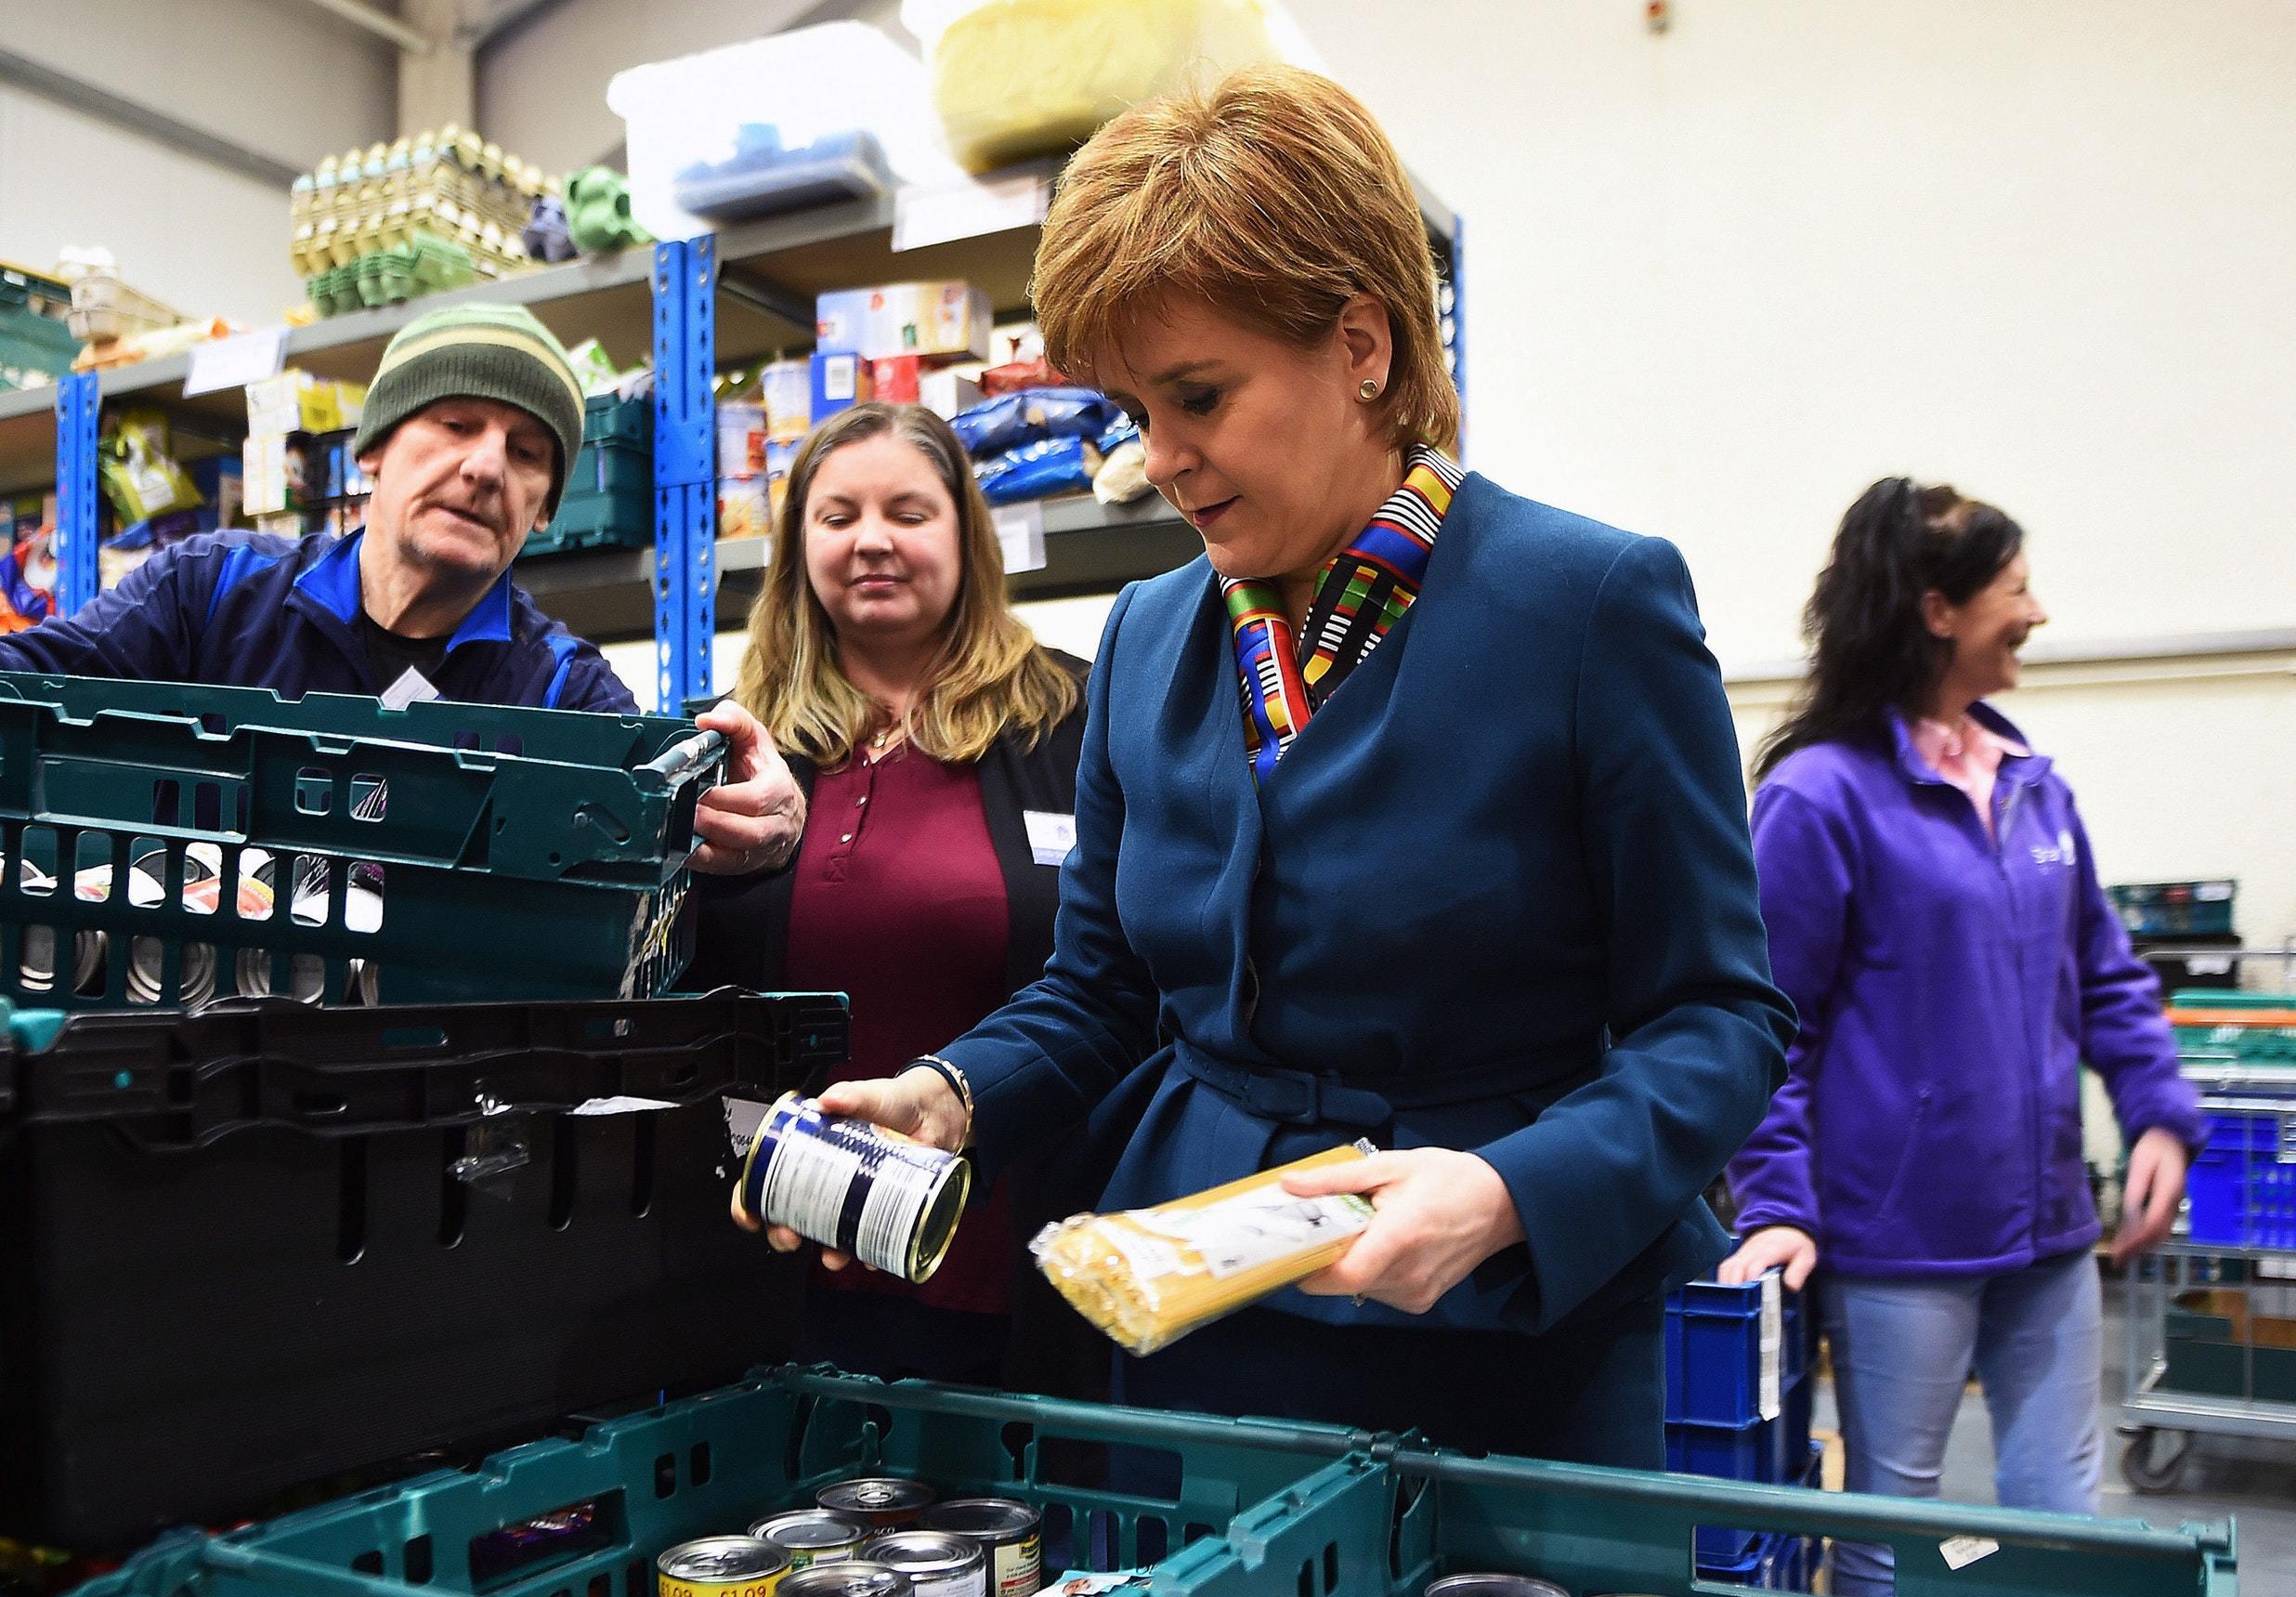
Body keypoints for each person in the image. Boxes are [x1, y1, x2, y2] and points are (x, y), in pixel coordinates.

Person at [745, 66, 1792, 1467]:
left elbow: (1718, 1014)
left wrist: (1507, 1191)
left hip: (1524, 1330)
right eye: (1130, 409)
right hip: (1201, 1317)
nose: (1159, 461)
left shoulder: (1588, 606)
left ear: (1360, 343)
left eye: (1199, 398)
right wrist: (951, 1095)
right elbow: (1104, 987)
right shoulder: (1151, 631)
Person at [0, 302, 802, 876]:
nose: (488, 466)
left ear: (542, 511)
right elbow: (46, 670)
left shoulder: (565, 692)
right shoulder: (214, 589)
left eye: (529, 453)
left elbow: (666, 824)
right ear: (374, 456)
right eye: (453, 426)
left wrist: (759, 818)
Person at [1721, 478, 2202, 1597]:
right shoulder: (1819, 797)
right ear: (1939, 608)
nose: (2036, 613)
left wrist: (2159, 1111)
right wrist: (1778, 1200)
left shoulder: (2034, 785)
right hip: (1899, 1240)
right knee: (1895, 1520)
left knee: (2058, 1519)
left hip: (2047, 1226)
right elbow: (1763, 1026)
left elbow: (2108, 973)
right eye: (2016, 587)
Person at [691, 399, 1108, 1397]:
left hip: (1018, 1268)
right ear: (799, 549)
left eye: (909, 511)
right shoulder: (730, 750)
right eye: (838, 516)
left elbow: (1119, 987)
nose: (872, 538)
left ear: (965, 533)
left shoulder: (1078, 718)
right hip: (787, 1264)